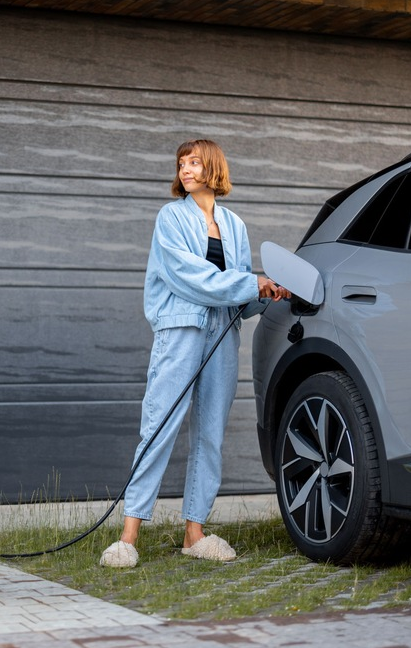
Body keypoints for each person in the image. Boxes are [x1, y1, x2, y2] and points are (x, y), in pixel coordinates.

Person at [100, 139, 290, 568]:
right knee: (159, 426)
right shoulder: (170, 217)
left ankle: (195, 532)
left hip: (222, 337)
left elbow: (240, 292)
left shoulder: (235, 225)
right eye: (181, 163)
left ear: (213, 168)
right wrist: (248, 283)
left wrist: (269, 292)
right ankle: (128, 535)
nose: (185, 170)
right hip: (181, 332)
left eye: (194, 162)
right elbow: (190, 277)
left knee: (209, 435)